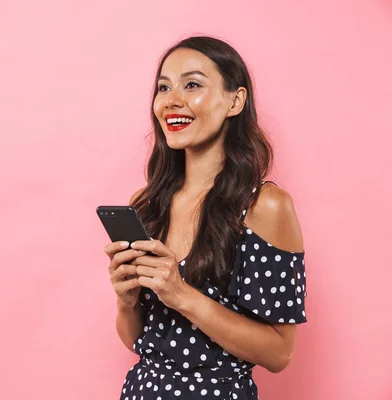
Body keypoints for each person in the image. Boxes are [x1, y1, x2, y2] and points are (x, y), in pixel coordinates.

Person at [104, 36, 307, 400]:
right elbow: (139, 342)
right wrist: (127, 301)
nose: (172, 100)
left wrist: (179, 294)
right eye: (163, 87)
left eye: (192, 84)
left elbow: (280, 354)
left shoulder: (265, 206)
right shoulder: (148, 204)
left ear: (235, 101)